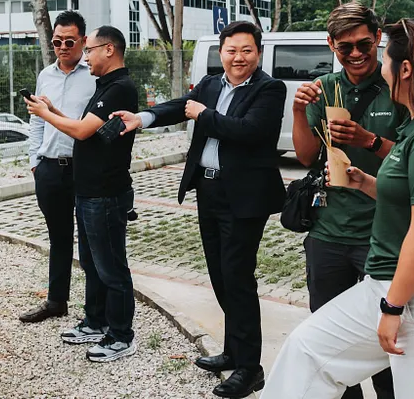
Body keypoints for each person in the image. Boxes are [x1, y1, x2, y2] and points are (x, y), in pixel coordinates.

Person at [264, 17, 414, 398]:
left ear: (405, 69)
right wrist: (363, 181)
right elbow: (408, 197)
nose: (378, 65)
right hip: (404, 290)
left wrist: (392, 308)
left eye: (384, 56)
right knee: (305, 350)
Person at [113, 21, 287, 398]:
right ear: (221, 52)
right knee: (220, 276)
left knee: (237, 278)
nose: (238, 57)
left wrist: (203, 115)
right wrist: (142, 118)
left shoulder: (269, 89)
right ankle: (234, 351)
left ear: (258, 53)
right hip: (208, 191)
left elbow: (250, 131)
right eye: (231, 50)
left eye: (246, 50)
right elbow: (181, 107)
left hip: (244, 198)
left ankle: (250, 368)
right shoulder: (210, 84)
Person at [292, 2, 406, 399]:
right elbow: (306, 156)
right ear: (331, 45)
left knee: (388, 339)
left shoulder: (397, 86)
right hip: (329, 230)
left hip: (384, 233)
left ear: (378, 39)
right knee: (331, 337)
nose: (356, 54)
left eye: (364, 44)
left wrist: (367, 140)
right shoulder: (324, 88)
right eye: (345, 47)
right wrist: (298, 110)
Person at [26, 26, 139, 363]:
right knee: (92, 263)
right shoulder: (105, 85)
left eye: (89, 50)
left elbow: (81, 130)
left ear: (109, 50)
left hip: (106, 191)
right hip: (89, 190)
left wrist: (45, 114)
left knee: (112, 268)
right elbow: (88, 129)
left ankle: (121, 335)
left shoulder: (120, 88)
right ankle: (95, 321)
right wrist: (53, 111)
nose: (86, 57)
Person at [19, 11, 96, 324]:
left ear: (83, 41)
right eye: (57, 42)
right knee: (59, 237)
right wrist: (35, 161)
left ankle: (95, 311)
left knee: (90, 241)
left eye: (69, 42)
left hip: (84, 168)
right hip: (50, 169)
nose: (62, 47)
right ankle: (56, 301)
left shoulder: (95, 75)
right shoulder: (45, 75)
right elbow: (37, 121)